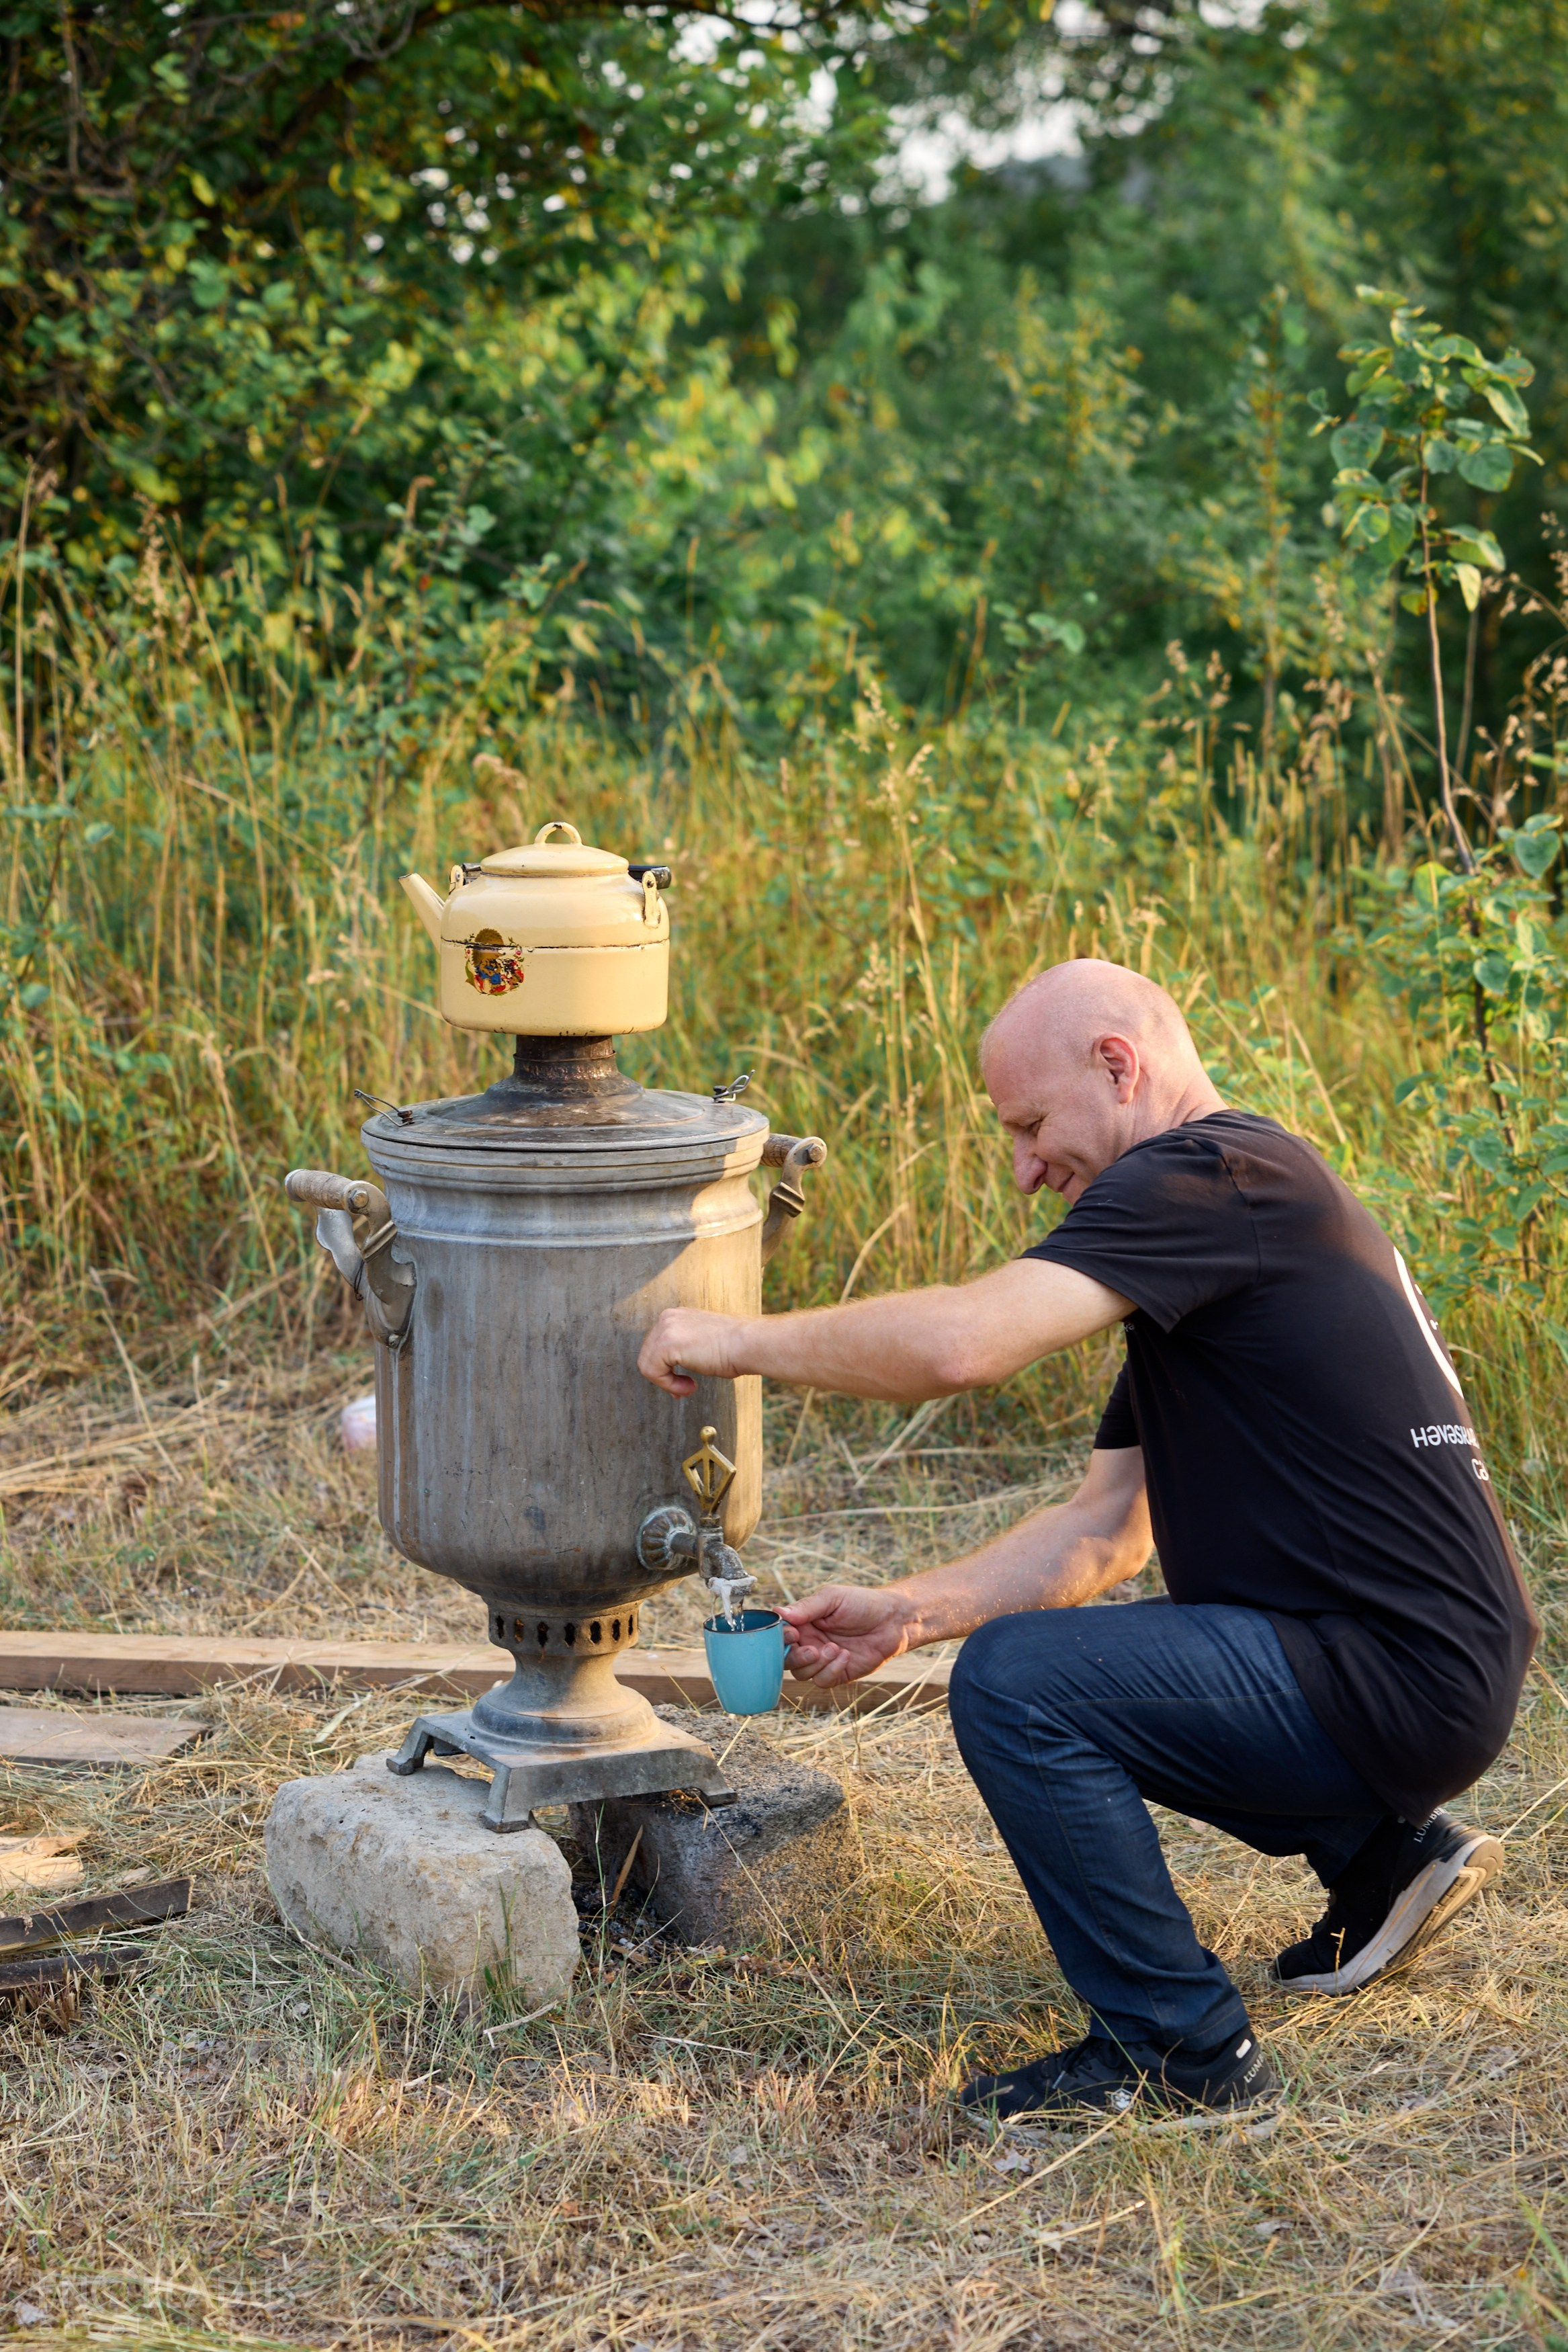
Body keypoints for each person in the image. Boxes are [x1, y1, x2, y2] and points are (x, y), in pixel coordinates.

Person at [638, 960, 1536, 2124]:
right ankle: (1379, 1858)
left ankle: (1178, 2050)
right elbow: (1104, 1531)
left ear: (1118, 1065)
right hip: (1416, 1666)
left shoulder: (1203, 1175)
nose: (1022, 1168)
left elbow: (964, 1345)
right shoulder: (1236, 1211)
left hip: (1396, 1673)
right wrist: (911, 1611)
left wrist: (730, 1337)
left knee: (1021, 1687)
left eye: (1029, 1123)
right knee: (1054, 1656)